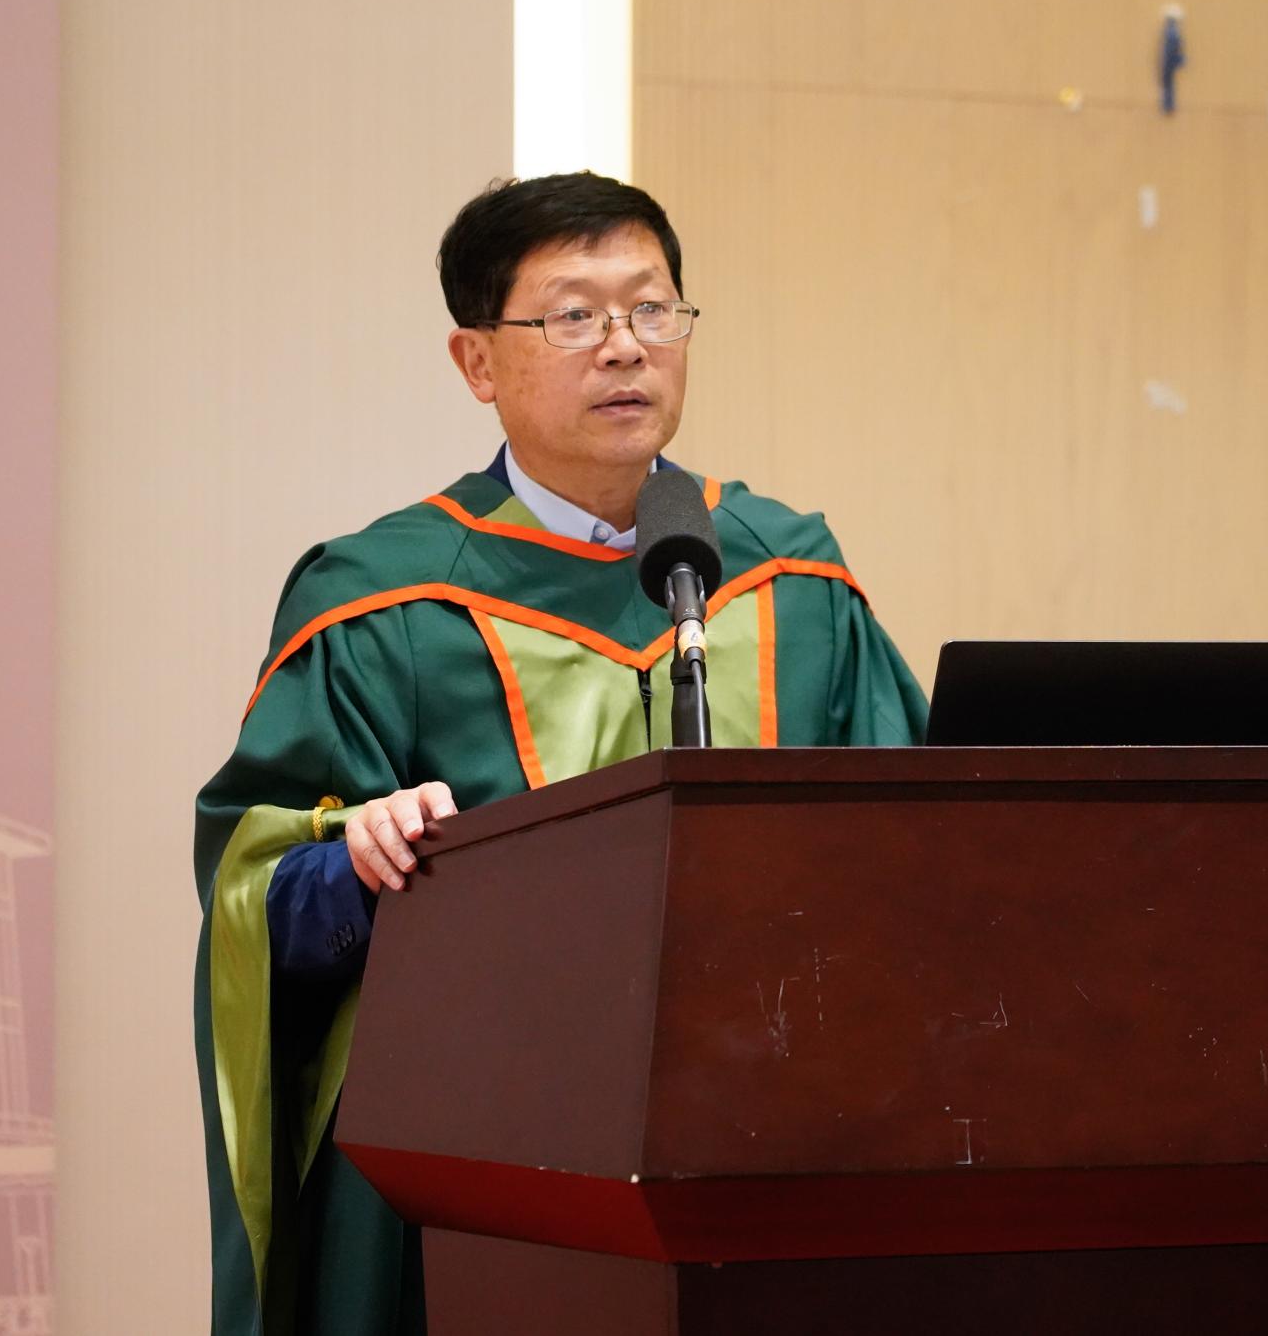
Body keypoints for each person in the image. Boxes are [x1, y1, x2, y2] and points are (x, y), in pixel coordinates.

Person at [192, 172, 927, 1335]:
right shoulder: (385, 601)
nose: (624, 347)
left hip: (771, 1145)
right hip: (477, 1173)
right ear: (477, 363)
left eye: (651, 308)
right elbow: (258, 892)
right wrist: (357, 862)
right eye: (574, 315)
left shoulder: (790, 578)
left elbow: (915, 852)